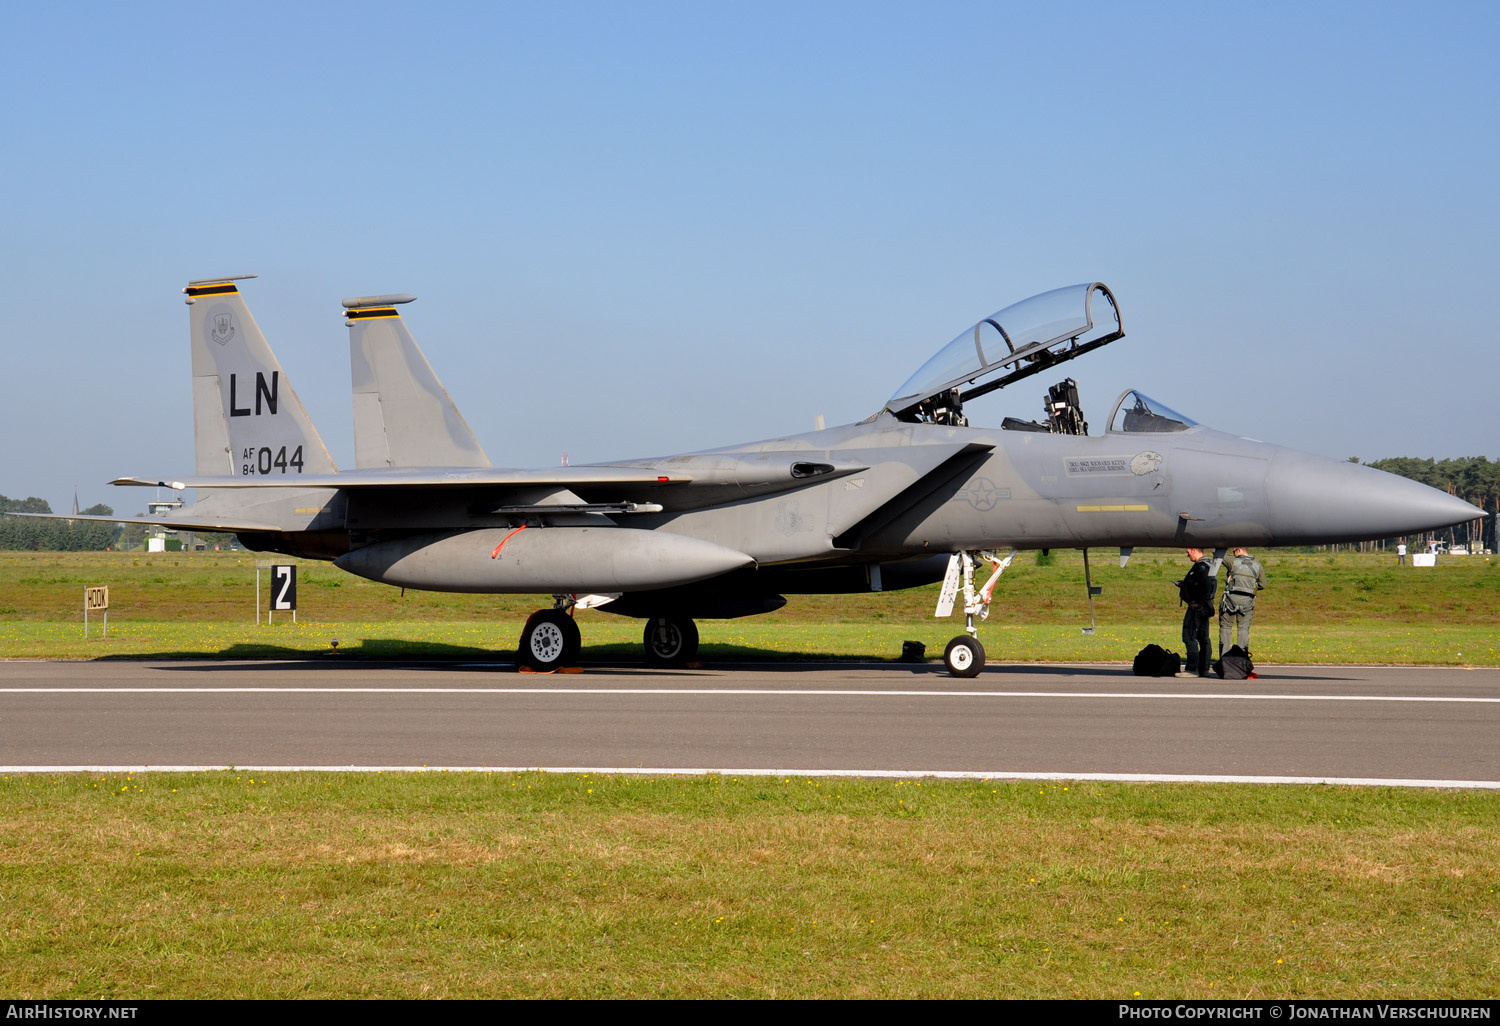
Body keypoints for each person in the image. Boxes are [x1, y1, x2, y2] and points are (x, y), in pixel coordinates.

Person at [1219, 547, 1266, 657]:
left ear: (1239, 550)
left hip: (1230, 600)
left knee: (1226, 628)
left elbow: (1219, 554)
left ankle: (1224, 659)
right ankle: (1241, 659)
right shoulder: (1257, 565)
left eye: (1234, 551)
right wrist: (1250, 587)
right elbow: (1263, 584)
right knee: (1243, 629)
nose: (1233, 553)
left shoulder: (1233, 562)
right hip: (1247, 602)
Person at [1177, 547, 1216, 677]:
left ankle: (1192, 669)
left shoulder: (1201, 567)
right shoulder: (1210, 565)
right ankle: (1204, 669)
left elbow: (1206, 585)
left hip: (1198, 607)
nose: (1187, 555)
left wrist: (1198, 601)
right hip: (1205, 606)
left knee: (1189, 635)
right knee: (1203, 638)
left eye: (1188, 552)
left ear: (1194, 550)